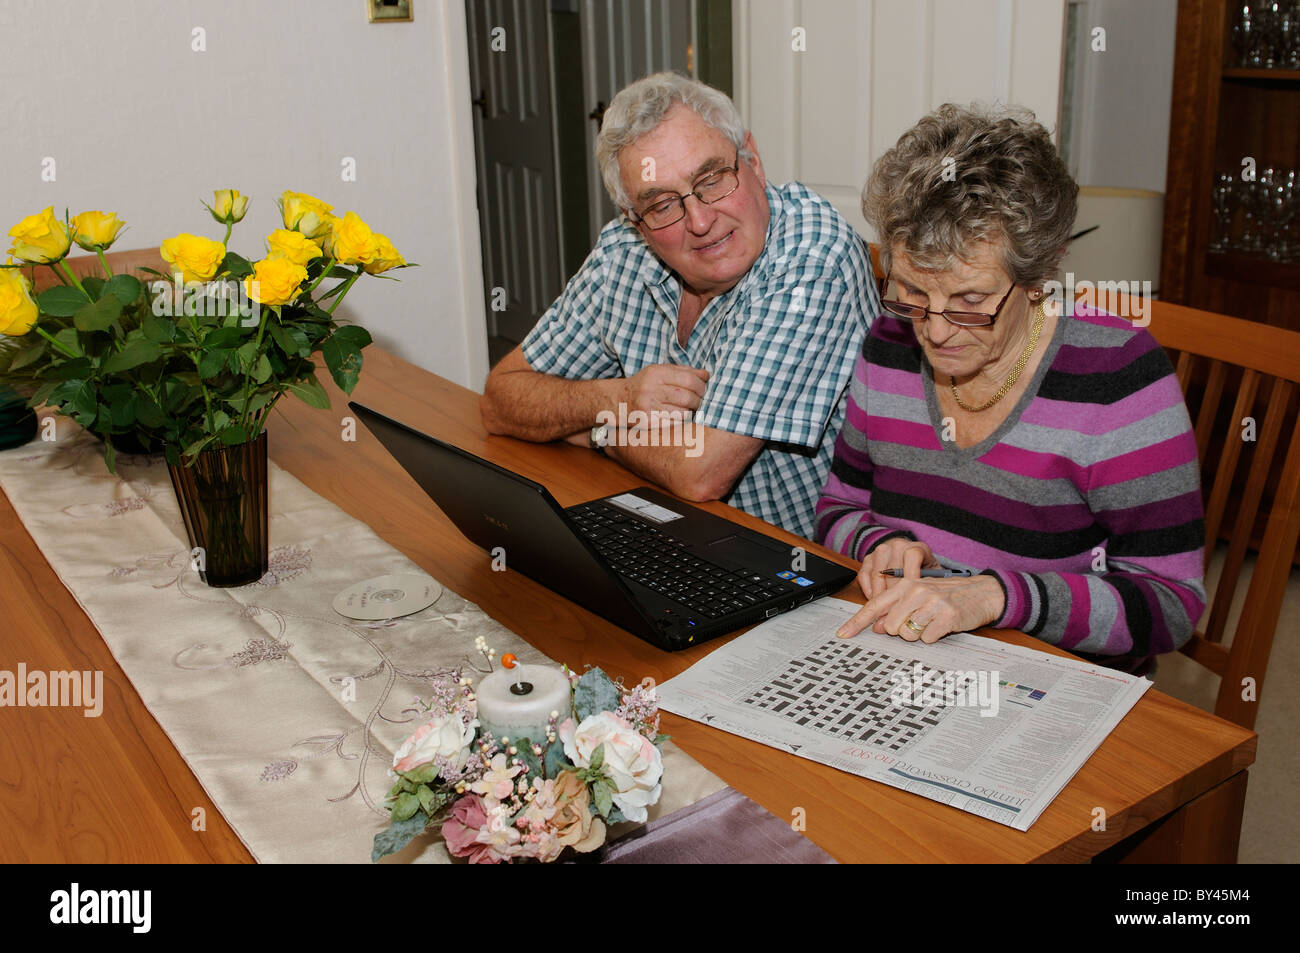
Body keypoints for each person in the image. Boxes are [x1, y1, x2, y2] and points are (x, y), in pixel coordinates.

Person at [816, 103, 1205, 674]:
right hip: (906, 654)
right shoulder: (890, 342)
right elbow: (839, 506)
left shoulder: (1118, 377)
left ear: (1039, 276)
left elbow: (1172, 603)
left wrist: (996, 596)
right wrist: (880, 543)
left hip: (1050, 677)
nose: (936, 330)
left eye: (971, 301)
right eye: (911, 293)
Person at [480, 72, 877, 539]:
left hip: (801, 563)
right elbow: (500, 400)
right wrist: (619, 398)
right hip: (665, 528)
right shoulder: (623, 252)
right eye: (663, 205)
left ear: (753, 160)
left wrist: (600, 432)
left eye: (711, 180)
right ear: (636, 220)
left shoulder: (813, 257)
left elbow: (700, 473)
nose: (702, 220)